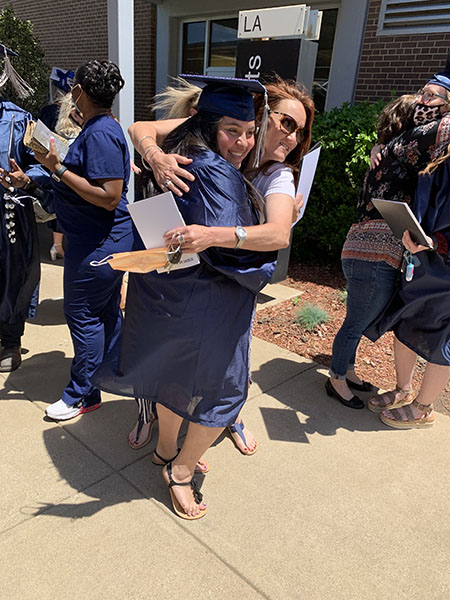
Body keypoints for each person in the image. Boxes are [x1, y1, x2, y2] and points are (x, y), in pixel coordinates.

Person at [94, 77, 277, 519]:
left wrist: (153, 153)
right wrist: (262, 258)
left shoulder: (182, 150)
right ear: (210, 121)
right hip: (207, 305)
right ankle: (180, 469)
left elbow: (142, 129)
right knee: (223, 395)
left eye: (251, 132)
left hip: (164, 291)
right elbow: (236, 255)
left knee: (172, 377)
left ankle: (162, 450)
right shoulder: (214, 170)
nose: (244, 142)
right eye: (233, 129)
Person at [126, 76, 314, 453]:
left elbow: (278, 235)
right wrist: (156, 157)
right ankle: (151, 416)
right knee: (167, 358)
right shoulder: (213, 141)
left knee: (225, 364)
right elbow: (139, 127)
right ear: (264, 116)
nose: (292, 137)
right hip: (177, 276)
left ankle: (230, 416)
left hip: (226, 279)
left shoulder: (276, 175)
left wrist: (215, 235)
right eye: (286, 123)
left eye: (301, 131)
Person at [326, 56, 450, 410]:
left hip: (374, 248)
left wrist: (378, 147)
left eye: (432, 96)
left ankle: (346, 370)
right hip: (373, 250)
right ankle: (337, 379)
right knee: (358, 318)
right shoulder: (410, 142)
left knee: (362, 315)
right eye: (423, 95)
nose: (425, 102)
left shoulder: (393, 149)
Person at [34, 59, 134, 421]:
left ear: (78, 92)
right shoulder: (97, 128)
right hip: (95, 240)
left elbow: (108, 195)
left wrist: (56, 167)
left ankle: (83, 393)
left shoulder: (102, 133)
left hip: (99, 244)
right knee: (104, 312)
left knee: (82, 315)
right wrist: (38, 176)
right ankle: (109, 373)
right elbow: (82, 183)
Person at [365, 156, 450, 428]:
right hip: (424, 261)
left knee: (443, 339)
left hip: (445, 269)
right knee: (406, 323)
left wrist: (437, 243)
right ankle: (403, 389)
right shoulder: (442, 153)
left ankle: (423, 408)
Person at [0, 43, 53, 372]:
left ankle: (9, 339)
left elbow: (47, 161)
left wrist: (25, 177)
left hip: (7, 210)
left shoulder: (21, 119)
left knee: (12, 276)